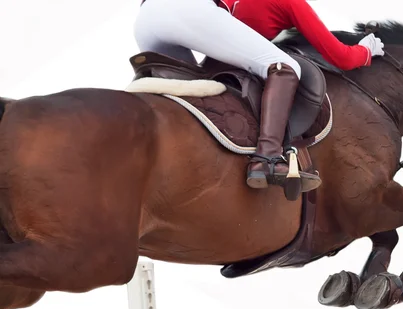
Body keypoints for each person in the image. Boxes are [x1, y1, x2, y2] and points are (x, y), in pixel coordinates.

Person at [134, 0, 384, 200]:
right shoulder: (289, 3)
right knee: (286, 67)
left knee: (190, 97)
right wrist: (366, 50)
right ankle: (268, 158)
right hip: (185, 9)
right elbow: (341, 57)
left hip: (146, 20)